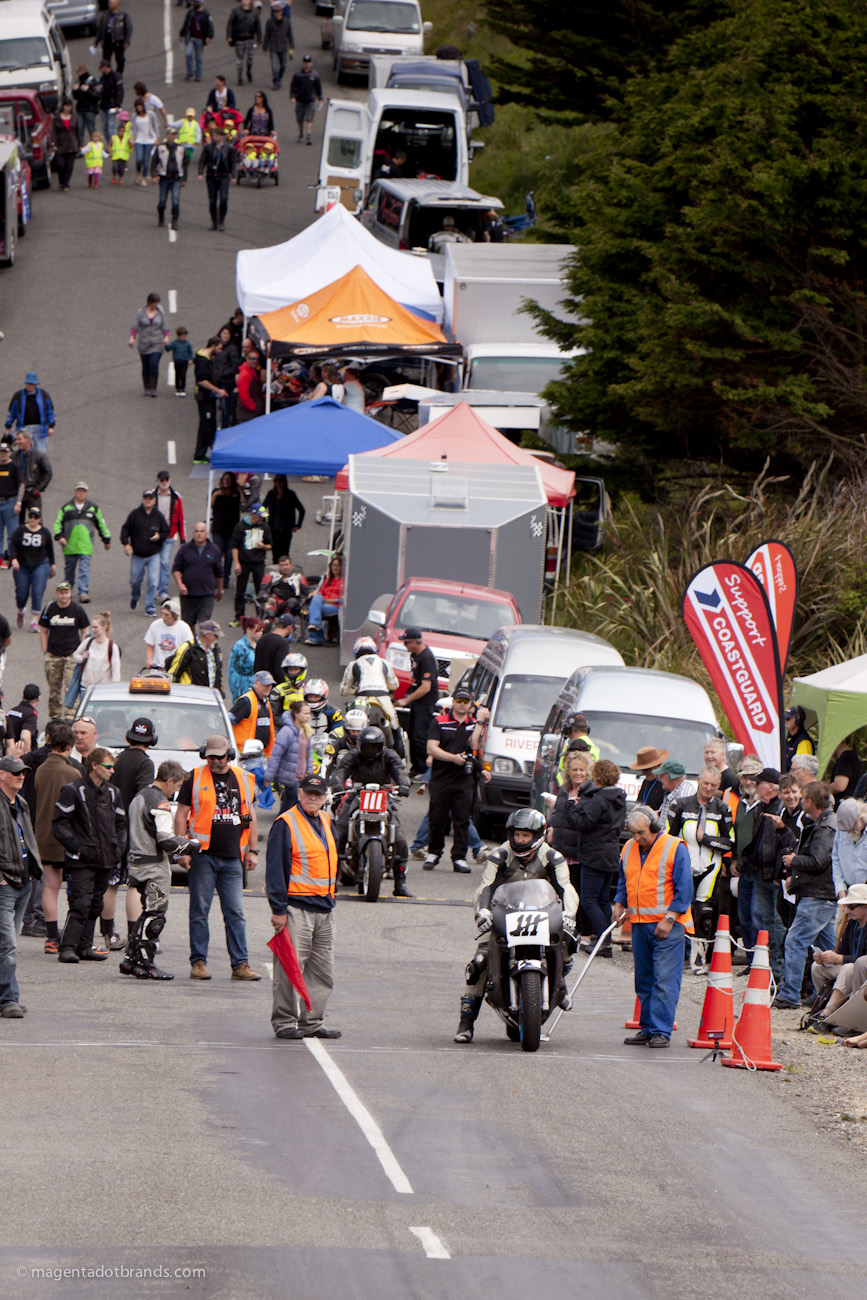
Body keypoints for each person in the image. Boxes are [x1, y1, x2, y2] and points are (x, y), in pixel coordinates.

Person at [454, 808, 578, 1044]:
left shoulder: (553, 858)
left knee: (568, 944)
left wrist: (569, 915)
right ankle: (466, 1023)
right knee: (479, 963)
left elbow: (566, 887)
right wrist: (482, 911)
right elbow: (486, 886)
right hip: (505, 915)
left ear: (538, 835)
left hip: (542, 916)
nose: (520, 840)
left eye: (525, 836)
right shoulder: (499, 856)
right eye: (517, 835)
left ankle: (559, 983)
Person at [174, 734, 261, 981]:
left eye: (219, 757)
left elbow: (251, 815)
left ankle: (240, 965)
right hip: (203, 856)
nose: (214, 761)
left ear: (229, 755)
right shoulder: (194, 777)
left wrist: (252, 851)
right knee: (199, 910)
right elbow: (182, 814)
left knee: (235, 913)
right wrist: (181, 850)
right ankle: (198, 962)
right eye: (210, 756)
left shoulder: (243, 778)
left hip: (233, 858)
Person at [266, 773, 339, 1038]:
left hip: (324, 909)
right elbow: (275, 870)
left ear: (324, 798)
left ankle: (312, 1022)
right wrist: (278, 911)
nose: (313, 798)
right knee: (289, 969)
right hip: (296, 909)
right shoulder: (285, 823)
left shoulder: (326, 820)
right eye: (308, 793)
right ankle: (285, 1022)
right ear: (299, 794)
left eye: (318, 795)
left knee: (322, 972)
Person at [613, 806, 694, 1047]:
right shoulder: (629, 848)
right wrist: (619, 903)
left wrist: (669, 919)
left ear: (655, 828)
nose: (637, 838)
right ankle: (648, 1028)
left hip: (667, 926)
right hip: (639, 924)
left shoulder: (674, 847)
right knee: (644, 979)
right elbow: (623, 878)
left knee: (664, 980)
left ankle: (661, 1031)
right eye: (633, 833)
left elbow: (684, 888)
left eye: (641, 833)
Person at [123, 760, 197, 980]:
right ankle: (146, 962)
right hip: (153, 866)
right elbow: (165, 839)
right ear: (170, 780)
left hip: (136, 860)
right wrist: (191, 845)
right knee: (156, 915)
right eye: (176, 787)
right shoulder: (160, 802)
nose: (176, 793)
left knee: (145, 912)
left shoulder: (140, 796)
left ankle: (131, 959)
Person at [53, 748, 126, 965]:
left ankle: (84, 947)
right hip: (81, 860)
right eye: (108, 766)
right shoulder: (73, 790)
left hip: (106, 859)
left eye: (113, 767)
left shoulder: (114, 793)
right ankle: (66, 947)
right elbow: (59, 823)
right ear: (94, 765)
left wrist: (118, 848)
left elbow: (121, 824)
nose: (112, 771)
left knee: (95, 904)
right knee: (81, 903)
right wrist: (77, 848)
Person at [775, 781, 838, 1009]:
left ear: (810, 802)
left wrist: (794, 862)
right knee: (829, 947)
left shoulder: (825, 827)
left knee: (795, 940)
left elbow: (819, 861)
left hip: (818, 896)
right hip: (822, 893)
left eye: (802, 798)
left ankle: (790, 993)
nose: (800, 801)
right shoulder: (824, 822)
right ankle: (834, 991)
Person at [329, 725, 412, 897]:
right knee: (338, 833)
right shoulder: (353, 755)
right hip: (357, 796)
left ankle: (400, 882)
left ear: (381, 746)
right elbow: (341, 770)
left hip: (384, 797)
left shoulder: (390, 755)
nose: (371, 750)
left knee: (400, 839)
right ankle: (331, 879)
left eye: (374, 746)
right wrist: (337, 782)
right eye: (367, 746)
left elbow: (400, 771)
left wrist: (404, 784)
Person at [666, 766, 733, 972]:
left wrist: (707, 840)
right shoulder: (680, 804)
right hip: (684, 866)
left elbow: (729, 843)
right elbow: (669, 837)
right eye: (706, 783)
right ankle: (677, 956)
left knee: (704, 912)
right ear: (698, 782)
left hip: (711, 866)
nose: (709, 788)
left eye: (714, 785)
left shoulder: (723, 809)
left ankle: (698, 960)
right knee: (679, 908)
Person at [424, 687, 489, 874]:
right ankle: (434, 852)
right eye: (458, 701)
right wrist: (453, 758)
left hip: (463, 779)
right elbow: (431, 748)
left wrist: (479, 723)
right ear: (452, 702)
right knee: (437, 818)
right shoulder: (440, 722)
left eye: (465, 702)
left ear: (471, 704)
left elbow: (475, 745)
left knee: (462, 820)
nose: (461, 704)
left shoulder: (473, 724)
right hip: (441, 777)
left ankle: (459, 857)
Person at [565, 758, 625, 958]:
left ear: (597, 775)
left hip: (594, 854)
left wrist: (571, 807)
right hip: (609, 853)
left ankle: (603, 941)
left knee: (589, 900)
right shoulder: (618, 797)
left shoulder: (599, 799)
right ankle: (604, 940)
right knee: (601, 900)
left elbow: (583, 823)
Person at [0, 754, 42, 1017]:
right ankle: (8, 1000)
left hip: (23, 880)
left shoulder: (22, 803)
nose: (20, 775)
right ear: (1, 774)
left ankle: (8, 996)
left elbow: (29, 839)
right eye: (15, 772)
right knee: (8, 945)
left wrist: (34, 873)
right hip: (5, 882)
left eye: (23, 772)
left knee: (8, 943)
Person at [33, 722, 80, 955]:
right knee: (74, 887)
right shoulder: (72, 772)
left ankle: (51, 937)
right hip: (66, 837)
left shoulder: (41, 769)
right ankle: (74, 935)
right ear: (69, 746)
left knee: (50, 887)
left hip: (42, 834)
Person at [738, 768, 787, 984]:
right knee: (767, 923)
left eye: (759, 783)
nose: (755, 786)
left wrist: (778, 874)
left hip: (773, 877)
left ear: (770, 786)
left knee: (775, 923)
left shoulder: (781, 809)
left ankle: (780, 972)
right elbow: (757, 841)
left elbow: (783, 844)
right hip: (760, 873)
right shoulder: (763, 808)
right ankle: (772, 971)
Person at [807, 883, 867, 1023]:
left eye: (851, 907)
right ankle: (823, 1004)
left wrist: (839, 958)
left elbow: (862, 959)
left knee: (848, 967)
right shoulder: (852, 924)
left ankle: (827, 1015)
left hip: (860, 972)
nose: (846, 911)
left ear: (865, 907)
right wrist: (826, 958)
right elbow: (841, 951)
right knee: (817, 968)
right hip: (852, 969)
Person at [53, 480, 111, 605]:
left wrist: (106, 539)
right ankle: (67, 591)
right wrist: (59, 536)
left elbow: (101, 524)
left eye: (83, 491)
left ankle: (83, 592)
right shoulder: (66, 508)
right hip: (70, 546)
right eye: (78, 490)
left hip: (86, 545)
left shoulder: (93, 508)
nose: (81, 493)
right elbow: (58, 523)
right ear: (74, 492)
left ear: (87, 493)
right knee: (69, 569)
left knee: (84, 569)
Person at [39, 581, 89, 720]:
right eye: (61, 593)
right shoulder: (50, 608)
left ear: (70, 594)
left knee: (70, 688)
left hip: (71, 656)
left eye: (66, 593)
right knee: (54, 690)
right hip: (53, 655)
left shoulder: (77, 609)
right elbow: (43, 631)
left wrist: (81, 649)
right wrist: (45, 651)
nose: (64, 595)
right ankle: (55, 717)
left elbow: (85, 630)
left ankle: (70, 717)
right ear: (57, 594)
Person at [121, 488, 170, 618]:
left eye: (150, 499)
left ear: (154, 501)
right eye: (146, 498)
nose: (148, 501)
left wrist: (160, 536)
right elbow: (125, 530)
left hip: (154, 554)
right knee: (135, 580)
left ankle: (149, 608)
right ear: (143, 500)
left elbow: (167, 532)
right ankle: (135, 595)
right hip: (137, 554)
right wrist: (126, 544)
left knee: (153, 581)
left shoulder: (158, 516)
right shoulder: (135, 514)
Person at [398, 627, 439, 778]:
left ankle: (423, 769)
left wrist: (406, 700)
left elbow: (426, 687)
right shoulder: (415, 656)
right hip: (416, 704)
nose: (405, 645)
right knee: (411, 734)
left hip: (425, 704)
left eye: (407, 642)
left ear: (415, 642)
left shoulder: (426, 658)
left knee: (421, 736)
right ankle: (415, 767)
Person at [10, 506, 55, 633]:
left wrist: (53, 565)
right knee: (21, 592)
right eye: (31, 516)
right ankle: (21, 610)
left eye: (35, 517)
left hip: (41, 564)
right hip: (23, 565)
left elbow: (50, 549)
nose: (32, 519)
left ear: (40, 519)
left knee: (37, 591)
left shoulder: (44, 532)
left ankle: (34, 621)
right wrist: (13, 559)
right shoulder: (20, 530)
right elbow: (13, 545)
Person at [173, 520, 224, 628]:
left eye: (202, 531)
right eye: (196, 531)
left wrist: (220, 590)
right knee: (187, 625)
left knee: (204, 625)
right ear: (193, 533)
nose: (199, 534)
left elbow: (219, 573)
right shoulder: (184, 549)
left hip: (206, 594)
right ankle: (192, 644)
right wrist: (180, 584)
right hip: (188, 595)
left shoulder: (214, 550)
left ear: (207, 533)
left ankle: (201, 645)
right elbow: (176, 569)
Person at [265, 698, 312, 813]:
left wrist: (309, 772)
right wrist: (269, 777)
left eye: (309, 713)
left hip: (302, 777)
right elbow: (276, 755)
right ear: (296, 713)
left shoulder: (306, 731)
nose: (308, 716)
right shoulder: (286, 732)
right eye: (305, 713)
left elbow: (309, 753)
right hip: (290, 778)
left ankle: (279, 829)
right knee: (302, 805)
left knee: (287, 808)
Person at [230, 503, 272, 626]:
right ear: (253, 514)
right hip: (244, 562)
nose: (262, 518)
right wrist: (236, 563)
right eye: (260, 515)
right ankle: (239, 617)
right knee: (240, 591)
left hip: (258, 562)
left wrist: (263, 546)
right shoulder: (241, 526)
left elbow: (270, 545)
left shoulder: (264, 526)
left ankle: (260, 616)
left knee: (260, 590)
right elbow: (234, 546)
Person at [193, 336, 227, 461]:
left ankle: (199, 454)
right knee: (209, 425)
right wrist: (217, 390)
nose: (220, 351)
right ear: (213, 345)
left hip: (208, 397)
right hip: (205, 398)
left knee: (204, 425)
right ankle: (214, 450)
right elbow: (202, 381)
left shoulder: (205, 357)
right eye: (219, 348)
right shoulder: (203, 361)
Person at [71, 614, 121, 699]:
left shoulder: (112, 647)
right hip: (85, 687)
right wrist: (82, 658)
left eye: (96, 627)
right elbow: (75, 654)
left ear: (105, 627)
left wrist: (114, 690)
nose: (93, 630)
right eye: (92, 627)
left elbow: (116, 672)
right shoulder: (88, 642)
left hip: (102, 690)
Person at [5, 372, 56, 455]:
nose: (29, 386)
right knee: (25, 452)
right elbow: (12, 412)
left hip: (41, 428)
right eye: (27, 384)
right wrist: (8, 427)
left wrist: (51, 426)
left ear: (35, 385)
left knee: (41, 453)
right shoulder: (18, 395)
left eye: (31, 384)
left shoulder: (43, 394)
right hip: (24, 428)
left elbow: (50, 411)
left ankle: (40, 468)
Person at [129, 293, 169, 397]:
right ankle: (146, 387)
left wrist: (166, 337)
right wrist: (132, 338)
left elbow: (165, 326)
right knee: (146, 366)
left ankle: (153, 388)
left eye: (157, 303)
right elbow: (135, 326)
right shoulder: (140, 313)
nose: (155, 305)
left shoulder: (160, 313)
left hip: (157, 343)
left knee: (153, 365)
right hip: (144, 343)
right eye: (154, 303)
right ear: (149, 302)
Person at [154, 471, 186, 604]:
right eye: (162, 480)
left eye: (166, 479)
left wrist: (183, 539)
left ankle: (163, 592)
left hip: (169, 535)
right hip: (154, 535)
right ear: (157, 481)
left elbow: (181, 519)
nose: (164, 482)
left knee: (165, 563)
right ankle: (155, 588)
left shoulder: (176, 497)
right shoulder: (152, 495)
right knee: (154, 563)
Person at [229, 669, 276, 757]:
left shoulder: (266, 702)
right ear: (256, 683)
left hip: (262, 754)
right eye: (265, 684)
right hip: (247, 755)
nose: (269, 687)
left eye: (270, 685)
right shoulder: (246, 701)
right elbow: (228, 721)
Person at [168, 619, 224, 691]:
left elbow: (218, 674)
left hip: (211, 696)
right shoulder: (187, 648)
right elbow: (174, 674)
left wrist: (221, 694)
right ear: (207, 635)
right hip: (192, 695)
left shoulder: (216, 649)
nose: (217, 638)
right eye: (216, 635)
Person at [198, 126, 236, 230]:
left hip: (223, 176)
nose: (215, 138)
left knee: (223, 199)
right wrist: (200, 173)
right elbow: (202, 160)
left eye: (217, 135)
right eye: (213, 135)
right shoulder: (208, 148)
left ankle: (221, 220)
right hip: (211, 176)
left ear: (222, 136)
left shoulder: (229, 148)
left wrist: (233, 176)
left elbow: (232, 162)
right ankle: (214, 221)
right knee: (212, 200)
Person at [831, 798, 867, 900]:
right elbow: (836, 858)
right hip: (848, 892)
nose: (849, 832)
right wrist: (840, 888)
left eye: (852, 828)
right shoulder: (842, 829)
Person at [150, 127, 185, 230]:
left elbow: (184, 164)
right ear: (167, 135)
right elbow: (154, 162)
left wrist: (184, 178)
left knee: (175, 201)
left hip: (176, 178)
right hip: (164, 177)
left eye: (174, 134)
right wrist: (153, 176)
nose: (172, 136)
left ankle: (175, 221)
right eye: (171, 134)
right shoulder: (161, 148)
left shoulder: (180, 148)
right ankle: (161, 217)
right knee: (162, 201)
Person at [262, 475, 304, 561]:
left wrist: (298, 525)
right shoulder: (271, 494)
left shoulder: (290, 495)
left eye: (281, 481)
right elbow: (262, 508)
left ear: (285, 482)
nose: (279, 483)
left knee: (284, 552)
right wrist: (264, 522)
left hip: (286, 529)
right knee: (275, 552)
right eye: (277, 481)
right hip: (273, 529)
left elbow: (301, 510)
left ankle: (284, 568)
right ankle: (276, 569)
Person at [210, 473, 242, 581]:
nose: (226, 482)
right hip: (218, 529)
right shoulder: (216, 492)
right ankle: (217, 576)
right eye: (224, 479)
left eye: (229, 480)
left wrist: (239, 489)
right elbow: (210, 505)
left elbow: (244, 501)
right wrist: (216, 495)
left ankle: (226, 577)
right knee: (218, 554)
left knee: (229, 555)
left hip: (232, 530)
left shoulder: (236, 493)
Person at [304, 554, 342, 645]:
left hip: (335, 606)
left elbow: (343, 599)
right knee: (316, 598)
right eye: (333, 565)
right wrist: (315, 593)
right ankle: (315, 626)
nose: (335, 568)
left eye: (337, 565)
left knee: (314, 608)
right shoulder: (328, 579)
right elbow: (321, 592)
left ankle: (315, 635)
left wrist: (328, 601)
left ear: (341, 567)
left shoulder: (344, 581)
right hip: (322, 604)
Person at [145, 598, 193, 670]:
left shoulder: (184, 628)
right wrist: (149, 661)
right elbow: (150, 645)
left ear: (174, 616)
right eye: (162, 613)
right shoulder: (155, 625)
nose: (163, 617)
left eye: (167, 615)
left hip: (174, 669)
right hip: (157, 668)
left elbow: (188, 650)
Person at [13, 429, 52, 515]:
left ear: (27, 439)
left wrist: (39, 488)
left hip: (33, 493)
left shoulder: (39, 455)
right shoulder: (14, 456)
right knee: (18, 524)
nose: (17, 442)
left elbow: (48, 473)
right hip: (19, 494)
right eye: (17, 439)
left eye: (20, 439)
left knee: (36, 519)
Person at [228, 616, 266, 699]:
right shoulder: (239, 647)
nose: (260, 633)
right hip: (244, 689)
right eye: (257, 631)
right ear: (248, 629)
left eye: (262, 631)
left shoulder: (260, 644)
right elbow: (233, 672)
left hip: (257, 689)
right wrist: (236, 695)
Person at [211, 326, 240, 429]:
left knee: (225, 406)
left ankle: (225, 426)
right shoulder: (217, 347)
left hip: (226, 381)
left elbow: (234, 366)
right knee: (216, 405)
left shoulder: (232, 349)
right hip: (216, 380)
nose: (226, 336)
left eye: (228, 334)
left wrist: (223, 373)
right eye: (224, 333)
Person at [227, 0, 262, 85]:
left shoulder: (254, 13)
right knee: (240, 59)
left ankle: (248, 71)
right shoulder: (235, 11)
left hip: (250, 38)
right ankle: (240, 77)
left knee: (250, 58)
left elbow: (258, 26)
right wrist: (229, 36)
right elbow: (230, 23)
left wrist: (259, 39)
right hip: (239, 38)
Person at [289, 56, 323, 145]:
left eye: (308, 62)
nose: (306, 64)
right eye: (305, 62)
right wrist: (292, 96)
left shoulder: (315, 75)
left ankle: (308, 135)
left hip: (310, 100)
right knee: (299, 119)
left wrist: (320, 99)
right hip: (300, 100)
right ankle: (301, 133)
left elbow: (318, 88)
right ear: (302, 63)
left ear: (311, 64)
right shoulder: (297, 75)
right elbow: (293, 87)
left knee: (309, 118)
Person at [181, 0, 215, 83]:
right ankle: (190, 72)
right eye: (194, 2)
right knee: (188, 54)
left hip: (200, 39)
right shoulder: (191, 13)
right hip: (191, 37)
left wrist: (210, 36)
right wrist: (181, 34)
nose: (195, 3)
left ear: (201, 3)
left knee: (198, 58)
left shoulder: (206, 14)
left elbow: (211, 26)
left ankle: (198, 75)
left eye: (197, 2)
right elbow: (186, 24)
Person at [262, 1, 294, 90]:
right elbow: (266, 35)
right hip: (273, 47)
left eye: (278, 11)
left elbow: (290, 35)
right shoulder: (269, 22)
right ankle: (276, 81)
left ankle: (278, 79)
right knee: (274, 66)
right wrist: (265, 48)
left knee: (283, 66)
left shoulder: (287, 22)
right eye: (274, 12)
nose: (276, 13)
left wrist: (292, 47)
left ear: (281, 12)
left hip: (283, 47)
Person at [49, 101, 80, 192]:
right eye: (66, 106)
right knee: (60, 164)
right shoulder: (57, 118)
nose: (68, 108)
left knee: (69, 166)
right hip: (60, 145)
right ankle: (61, 179)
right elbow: (53, 132)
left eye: (69, 106)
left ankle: (66, 184)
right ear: (63, 106)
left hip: (72, 144)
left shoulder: (74, 118)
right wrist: (53, 144)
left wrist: (79, 144)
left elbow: (78, 131)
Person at [254, 611, 294, 681]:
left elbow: (256, 663)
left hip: (260, 682)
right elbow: (279, 670)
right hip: (273, 685)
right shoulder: (282, 643)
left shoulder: (263, 638)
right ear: (289, 627)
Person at [657, 758, 697, 826]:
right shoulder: (670, 792)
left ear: (672, 778)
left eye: (662, 775)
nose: (659, 779)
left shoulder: (685, 794)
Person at [97, 0, 133, 74]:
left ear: (117, 5)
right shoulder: (105, 15)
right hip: (107, 41)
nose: (109, 5)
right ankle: (108, 74)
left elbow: (129, 28)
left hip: (119, 41)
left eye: (111, 3)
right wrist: (96, 42)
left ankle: (119, 73)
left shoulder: (123, 15)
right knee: (106, 60)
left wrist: (127, 41)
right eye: (109, 3)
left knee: (120, 59)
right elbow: (100, 29)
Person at [0, 441, 22, 562]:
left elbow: (21, 485)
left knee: (12, 533)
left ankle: (11, 556)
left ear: (10, 453)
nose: (3, 454)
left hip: (10, 502)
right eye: (1, 452)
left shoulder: (14, 467)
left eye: (5, 452)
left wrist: (18, 502)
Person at [629, 746, 669, 812]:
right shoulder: (645, 782)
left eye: (646, 769)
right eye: (641, 769)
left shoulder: (666, 785)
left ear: (658, 766)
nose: (643, 773)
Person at [130, 98, 158, 187]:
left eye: (140, 106)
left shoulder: (150, 114)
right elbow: (132, 128)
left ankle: (144, 177)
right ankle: (138, 173)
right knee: (139, 158)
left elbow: (155, 126)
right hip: (139, 139)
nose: (139, 108)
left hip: (149, 140)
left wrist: (157, 138)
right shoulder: (134, 116)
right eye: (137, 107)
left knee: (146, 160)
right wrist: (131, 138)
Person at [829, 738, 863, 808]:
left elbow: (839, 786)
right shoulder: (854, 756)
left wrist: (822, 789)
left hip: (844, 805)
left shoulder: (845, 758)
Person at [5, 685, 40, 751]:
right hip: (19, 753)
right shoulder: (31, 714)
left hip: (8, 751)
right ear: (38, 699)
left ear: (23, 697)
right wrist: (27, 756)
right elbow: (25, 736)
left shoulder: (11, 711)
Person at [235, 349, 265, 423]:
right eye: (252, 359)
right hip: (248, 415)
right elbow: (244, 394)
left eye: (257, 359)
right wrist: (253, 407)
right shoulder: (246, 374)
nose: (255, 361)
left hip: (250, 413)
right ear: (247, 359)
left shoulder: (251, 371)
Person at [97, 59, 123, 142]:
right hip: (103, 105)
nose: (100, 69)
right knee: (105, 128)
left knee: (112, 127)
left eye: (101, 67)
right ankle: (109, 145)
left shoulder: (115, 76)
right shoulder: (102, 78)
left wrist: (118, 105)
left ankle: (114, 145)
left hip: (112, 106)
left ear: (105, 67)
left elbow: (120, 91)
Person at [73, 65, 100, 142]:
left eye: (78, 72)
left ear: (83, 71)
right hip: (80, 109)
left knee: (91, 129)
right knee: (79, 129)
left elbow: (97, 96)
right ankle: (81, 147)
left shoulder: (92, 80)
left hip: (90, 109)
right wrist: (75, 90)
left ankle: (95, 146)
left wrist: (87, 91)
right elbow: (76, 97)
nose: (77, 74)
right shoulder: (78, 81)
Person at [166, 328, 194, 399]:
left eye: (185, 336)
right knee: (177, 375)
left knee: (183, 375)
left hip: (184, 361)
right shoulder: (175, 343)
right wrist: (166, 345)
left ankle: (183, 388)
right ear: (178, 336)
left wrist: (191, 359)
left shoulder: (187, 343)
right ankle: (178, 388)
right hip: (177, 361)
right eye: (182, 336)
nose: (184, 338)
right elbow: (168, 349)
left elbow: (190, 352)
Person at [784, 706, 814, 771]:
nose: (785, 721)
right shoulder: (789, 739)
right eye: (784, 718)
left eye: (788, 719)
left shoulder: (804, 741)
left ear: (798, 719)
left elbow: (802, 767)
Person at [109, 110, 132, 184]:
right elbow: (110, 145)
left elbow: (130, 146)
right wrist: (110, 152)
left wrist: (131, 143)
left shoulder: (127, 138)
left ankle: (120, 179)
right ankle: (114, 177)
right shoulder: (114, 137)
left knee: (121, 169)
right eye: (120, 131)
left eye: (123, 131)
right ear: (117, 131)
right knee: (115, 167)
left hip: (123, 156)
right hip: (115, 156)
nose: (121, 133)